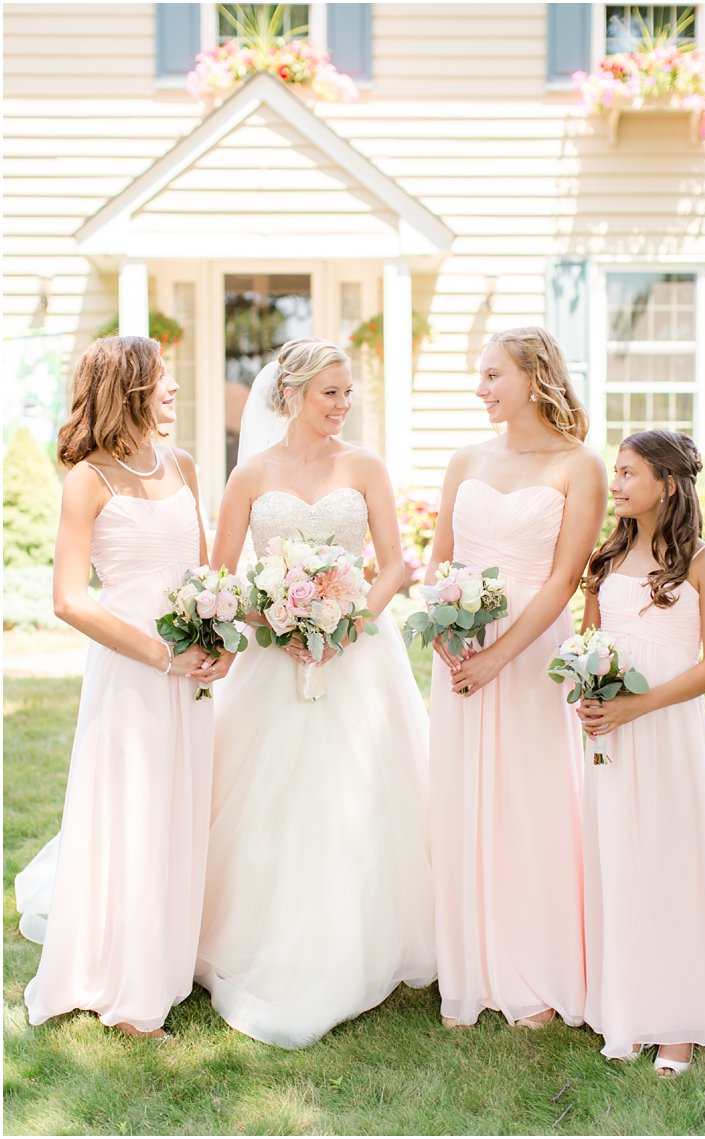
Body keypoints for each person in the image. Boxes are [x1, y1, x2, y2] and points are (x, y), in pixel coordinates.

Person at [195, 338, 435, 1048]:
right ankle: (253, 940)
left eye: (348, 391)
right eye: (331, 391)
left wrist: (347, 619)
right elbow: (223, 580)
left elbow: (393, 566)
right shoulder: (251, 475)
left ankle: (359, 941)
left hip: (358, 654)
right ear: (293, 393)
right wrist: (276, 621)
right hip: (273, 660)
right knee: (264, 797)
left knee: (357, 792)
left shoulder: (364, 466)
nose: (343, 404)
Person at [16, 335, 226, 1038]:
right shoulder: (88, 479)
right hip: (132, 672)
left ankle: (166, 958)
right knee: (134, 814)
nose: (174, 390)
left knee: (181, 811)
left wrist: (215, 644)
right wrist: (159, 653)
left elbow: (203, 576)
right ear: (131, 388)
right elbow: (70, 600)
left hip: (191, 672)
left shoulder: (185, 465)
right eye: (164, 379)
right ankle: (131, 994)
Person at [426, 327, 605, 1030]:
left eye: (493, 375)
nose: (481, 388)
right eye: (480, 375)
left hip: (532, 651)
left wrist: (504, 655)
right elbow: (440, 557)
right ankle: (472, 964)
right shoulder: (464, 458)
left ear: (534, 376)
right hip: (462, 655)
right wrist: (443, 630)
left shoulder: (578, 465)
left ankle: (537, 972)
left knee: (533, 803)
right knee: (464, 798)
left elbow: (564, 577)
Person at [576, 429, 705, 1076]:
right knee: (619, 858)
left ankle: (680, 1024)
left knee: (672, 862)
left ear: (668, 484)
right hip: (612, 735)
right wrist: (590, 695)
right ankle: (627, 1003)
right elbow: (589, 646)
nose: (617, 483)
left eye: (628, 473)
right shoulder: (605, 560)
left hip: (668, 731)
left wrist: (637, 705)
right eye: (616, 472)